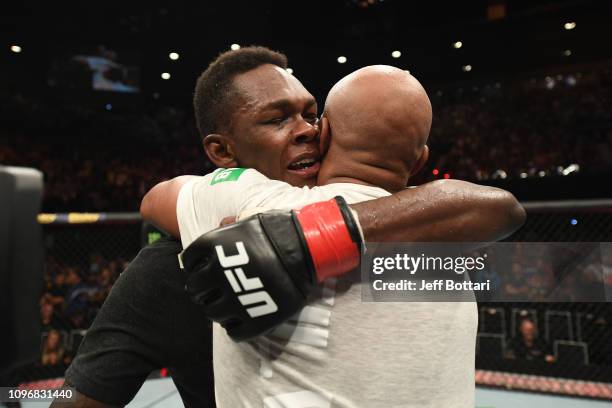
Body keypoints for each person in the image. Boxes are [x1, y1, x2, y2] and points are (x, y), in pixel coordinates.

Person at [57, 46, 524, 408]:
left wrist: (313, 236)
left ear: (329, 130)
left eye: (310, 113)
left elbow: (495, 208)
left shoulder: (426, 232)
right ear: (221, 154)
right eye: (278, 119)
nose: (304, 129)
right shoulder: (170, 268)